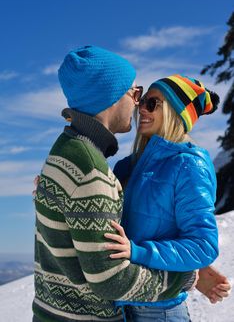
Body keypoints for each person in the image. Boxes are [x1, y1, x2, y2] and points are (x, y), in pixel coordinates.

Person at [32, 48, 197, 322]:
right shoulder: (89, 171)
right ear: (110, 98)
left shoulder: (65, 152)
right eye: (134, 93)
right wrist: (186, 277)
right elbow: (110, 279)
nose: (137, 104)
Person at [104, 74, 230, 321]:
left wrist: (138, 251)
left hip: (159, 311)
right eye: (141, 102)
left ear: (176, 113)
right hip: (121, 305)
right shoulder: (126, 166)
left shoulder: (188, 166)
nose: (142, 109)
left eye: (152, 103)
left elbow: (202, 245)